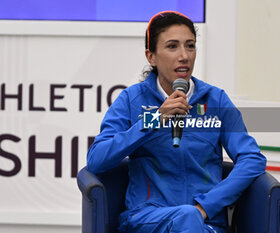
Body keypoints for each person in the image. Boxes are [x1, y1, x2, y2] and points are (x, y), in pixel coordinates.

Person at [87, 11, 266, 233]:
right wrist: (154, 120)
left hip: (204, 221)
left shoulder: (216, 100)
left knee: (189, 218)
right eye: (172, 46)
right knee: (186, 217)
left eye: (190, 46)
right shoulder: (131, 100)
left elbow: (252, 159)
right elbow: (97, 159)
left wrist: (205, 206)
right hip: (147, 219)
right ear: (151, 56)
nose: (184, 56)